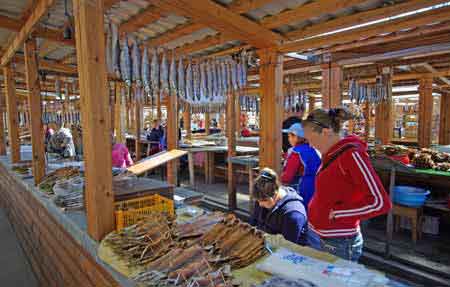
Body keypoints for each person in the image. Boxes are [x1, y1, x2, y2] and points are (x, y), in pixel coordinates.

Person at [302, 108, 392, 261]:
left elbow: (380, 202)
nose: (310, 145)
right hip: (319, 234)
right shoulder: (329, 154)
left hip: (338, 241)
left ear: (325, 132)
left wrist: (338, 213)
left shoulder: (352, 154)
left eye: (311, 139)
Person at [250, 168, 307, 245]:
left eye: (263, 201)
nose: (260, 204)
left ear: (275, 195)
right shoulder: (262, 197)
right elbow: (253, 224)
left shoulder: (293, 214)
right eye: (258, 201)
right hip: (265, 242)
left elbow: (288, 246)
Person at [281, 123, 321, 208]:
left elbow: (287, 177)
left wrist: (278, 181)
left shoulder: (296, 152)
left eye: (289, 136)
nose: (288, 139)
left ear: (296, 137)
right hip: (317, 185)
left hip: (303, 187)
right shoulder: (313, 149)